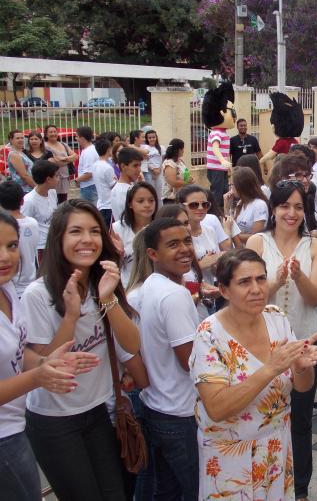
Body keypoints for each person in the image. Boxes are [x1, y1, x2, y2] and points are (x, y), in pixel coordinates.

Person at [20, 199, 140, 500]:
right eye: (76, 231)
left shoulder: (106, 280)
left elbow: (132, 344)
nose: (87, 240)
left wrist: (108, 298)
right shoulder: (39, 294)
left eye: (94, 231)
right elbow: (44, 365)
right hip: (54, 420)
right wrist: (71, 315)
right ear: (58, 238)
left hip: (97, 412)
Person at [190, 248, 317, 501]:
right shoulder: (209, 334)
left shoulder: (276, 318)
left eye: (261, 279)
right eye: (244, 282)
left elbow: (302, 387)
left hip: (275, 446)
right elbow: (217, 408)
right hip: (230, 457)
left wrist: (300, 367)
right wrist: (271, 368)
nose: (256, 288)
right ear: (224, 290)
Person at [0, 210, 100, 501]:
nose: (5, 257)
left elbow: (18, 354)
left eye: (11, 245)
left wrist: (46, 363)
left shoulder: (8, 292)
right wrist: (39, 376)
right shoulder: (33, 294)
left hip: (15, 427)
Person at [246, 181, 317, 500]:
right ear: (273, 209)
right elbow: (245, 296)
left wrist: (298, 276)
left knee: (301, 421)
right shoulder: (256, 242)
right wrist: (276, 279)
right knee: (263, 418)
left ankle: (301, 489)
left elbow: (314, 296)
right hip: (259, 346)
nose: (291, 213)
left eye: (297, 207)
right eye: (284, 206)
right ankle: (265, 484)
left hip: (303, 344)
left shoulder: (315, 247)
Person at [139, 218, 200, 500]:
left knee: (167, 491)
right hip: (180, 414)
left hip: (156, 407)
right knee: (197, 490)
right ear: (153, 254)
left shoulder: (151, 286)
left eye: (187, 241)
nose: (185, 249)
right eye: (173, 245)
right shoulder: (174, 295)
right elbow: (190, 362)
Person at [114, 181, 158, 287]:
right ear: (130, 204)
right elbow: (114, 266)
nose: (147, 205)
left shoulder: (161, 227)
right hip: (128, 287)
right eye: (140, 201)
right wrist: (119, 255)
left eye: (151, 201)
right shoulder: (118, 229)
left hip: (156, 286)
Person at [0, 181, 39, 298]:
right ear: (22, 201)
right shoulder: (33, 223)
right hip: (32, 283)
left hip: (13, 288)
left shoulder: (4, 229)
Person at [202, 83, 235, 207]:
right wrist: (222, 161)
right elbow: (215, 148)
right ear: (222, 113)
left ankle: (222, 210)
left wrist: (226, 165)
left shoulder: (223, 133)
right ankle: (214, 210)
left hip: (221, 168)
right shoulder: (217, 133)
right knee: (217, 192)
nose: (234, 116)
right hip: (216, 168)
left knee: (224, 191)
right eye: (233, 112)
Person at [21, 159, 59, 260]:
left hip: (54, 242)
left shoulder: (52, 193)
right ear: (48, 179)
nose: (58, 179)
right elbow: (24, 226)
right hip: (40, 247)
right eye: (56, 176)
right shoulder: (29, 201)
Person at [226, 166, 269, 244]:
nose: (230, 189)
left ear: (242, 185)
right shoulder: (240, 203)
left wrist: (234, 235)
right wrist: (227, 205)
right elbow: (229, 224)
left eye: (232, 185)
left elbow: (255, 236)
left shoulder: (259, 205)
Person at [42, 125, 78, 204]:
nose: (53, 134)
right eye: (51, 132)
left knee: (63, 200)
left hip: (65, 177)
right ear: (46, 134)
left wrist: (63, 159)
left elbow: (75, 156)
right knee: (53, 200)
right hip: (52, 177)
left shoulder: (63, 144)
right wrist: (68, 158)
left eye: (55, 132)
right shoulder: (45, 146)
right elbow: (56, 163)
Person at [110, 147, 143, 223]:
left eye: (140, 165)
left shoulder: (118, 188)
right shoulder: (125, 191)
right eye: (135, 165)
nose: (139, 169)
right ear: (123, 166)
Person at [91, 138, 118, 225]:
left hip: (101, 203)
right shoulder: (107, 167)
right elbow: (114, 186)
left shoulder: (95, 165)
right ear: (108, 149)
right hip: (109, 205)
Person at [160, 137, 192, 203]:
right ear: (179, 150)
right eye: (182, 148)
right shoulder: (169, 163)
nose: (183, 150)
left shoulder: (180, 161)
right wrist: (187, 182)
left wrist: (190, 179)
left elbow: (186, 174)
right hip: (172, 199)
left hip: (182, 195)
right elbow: (173, 182)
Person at [75, 126, 99, 205]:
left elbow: (89, 173)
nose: (76, 139)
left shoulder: (89, 152)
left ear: (82, 138)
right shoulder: (89, 150)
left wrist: (77, 180)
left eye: (77, 136)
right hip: (89, 186)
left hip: (89, 187)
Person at [144, 130, 163, 200]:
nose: (152, 139)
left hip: (159, 173)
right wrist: (153, 169)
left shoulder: (161, 148)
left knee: (159, 194)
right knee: (151, 193)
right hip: (149, 173)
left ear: (156, 137)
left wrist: (159, 170)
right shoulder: (145, 148)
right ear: (147, 138)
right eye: (150, 138)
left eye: (153, 137)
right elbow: (146, 160)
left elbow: (162, 160)